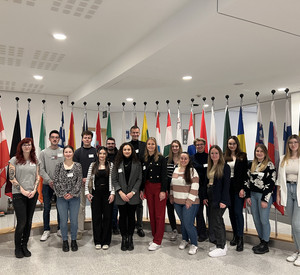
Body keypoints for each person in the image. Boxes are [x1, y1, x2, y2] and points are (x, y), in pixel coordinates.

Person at [9, 138, 39, 258]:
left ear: (32, 146)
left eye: (29, 144)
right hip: (18, 194)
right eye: (24, 144)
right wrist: (22, 190)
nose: (27, 146)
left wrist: (35, 190)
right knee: (22, 221)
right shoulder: (14, 160)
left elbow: (37, 177)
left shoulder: (35, 160)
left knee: (29, 221)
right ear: (21, 147)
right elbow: (12, 177)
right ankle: (17, 247)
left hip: (32, 194)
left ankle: (24, 245)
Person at [244, 144, 276, 254]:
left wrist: (265, 200)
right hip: (252, 195)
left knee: (264, 220)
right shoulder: (251, 164)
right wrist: (247, 196)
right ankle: (261, 240)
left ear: (265, 153)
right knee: (256, 220)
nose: (259, 153)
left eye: (261, 151)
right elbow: (247, 181)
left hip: (263, 196)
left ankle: (266, 243)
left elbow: (271, 183)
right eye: (257, 151)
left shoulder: (269, 165)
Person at [112, 143, 142, 251]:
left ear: (132, 150)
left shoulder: (137, 163)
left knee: (131, 218)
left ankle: (130, 238)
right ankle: (124, 238)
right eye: (125, 149)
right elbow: (114, 180)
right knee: (123, 217)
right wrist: (120, 192)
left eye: (129, 149)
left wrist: (133, 192)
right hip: (121, 196)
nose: (127, 151)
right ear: (122, 151)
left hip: (132, 196)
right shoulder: (117, 163)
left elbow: (139, 179)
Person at [276, 135, 300, 266]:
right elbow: (280, 178)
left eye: (295, 142)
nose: (293, 144)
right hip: (287, 191)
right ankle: (297, 250)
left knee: (297, 224)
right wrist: (278, 194)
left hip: (299, 191)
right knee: (293, 224)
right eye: (290, 142)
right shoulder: (283, 159)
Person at [170, 152, 200, 255]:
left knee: (188, 223)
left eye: (185, 158)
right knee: (183, 222)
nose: (183, 160)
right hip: (177, 202)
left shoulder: (192, 171)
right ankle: (185, 239)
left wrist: (189, 201)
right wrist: (171, 196)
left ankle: (194, 244)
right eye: (181, 158)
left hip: (190, 202)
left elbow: (195, 187)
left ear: (188, 160)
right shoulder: (176, 170)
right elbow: (172, 185)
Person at [53, 145, 82, 252]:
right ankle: (65, 241)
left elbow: (79, 181)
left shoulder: (78, 166)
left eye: (70, 152)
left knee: (74, 221)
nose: (68, 154)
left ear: (73, 153)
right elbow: (56, 181)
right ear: (63, 153)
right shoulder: (58, 166)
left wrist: (72, 193)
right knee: (63, 221)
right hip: (61, 198)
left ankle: (73, 240)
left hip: (74, 198)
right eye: (66, 152)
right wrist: (64, 193)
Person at [85, 146, 115, 250]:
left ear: (106, 155)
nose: (102, 155)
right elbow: (88, 178)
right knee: (96, 217)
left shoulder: (111, 165)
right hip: (96, 194)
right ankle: (97, 240)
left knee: (107, 217)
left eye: (104, 153)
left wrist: (113, 193)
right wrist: (86, 192)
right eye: (100, 153)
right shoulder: (93, 165)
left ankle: (106, 241)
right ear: (97, 154)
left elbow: (114, 180)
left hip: (107, 194)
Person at [203, 145, 230, 258]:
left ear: (220, 154)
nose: (214, 155)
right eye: (212, 153)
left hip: (220, 197)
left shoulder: (225, 166)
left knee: (217, 221)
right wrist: (205, 196)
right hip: (210, 195)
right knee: (215, 220)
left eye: (216, 153)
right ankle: (221, 243)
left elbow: (226, 185)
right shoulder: (210, 166)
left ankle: (221, 247)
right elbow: (206, 182)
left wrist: (223, 200)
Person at [141, 137, 167, 251]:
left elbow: (164, 176)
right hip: (148, 187)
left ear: (156, 146)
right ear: (146, 146)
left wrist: (163, 190)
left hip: (158, 188)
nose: (150, 146)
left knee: (159, 215)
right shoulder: (145, 158)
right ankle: (154, 236)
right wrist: (142, 190)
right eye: (149, 144)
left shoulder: (161, 159)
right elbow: (143, 175)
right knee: (151, 213)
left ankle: (158, 240)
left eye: (152, 144)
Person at [224, 136, 248, 251]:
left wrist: (243, 188)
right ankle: (234, 235)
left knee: (238, 212)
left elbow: (245, 174)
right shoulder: (225, 156)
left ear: (237, 144)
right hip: (228, 187)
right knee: (231, 213)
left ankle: (241, 238)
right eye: (229, 143)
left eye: (233, 143)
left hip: (238, 187)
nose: (231, 145)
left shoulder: (242, 156)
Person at [39, 130, 64, 241]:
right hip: (46, 184)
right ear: (49, 139)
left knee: (61, 207)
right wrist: (49, 180)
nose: (55, 139)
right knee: (47, 208)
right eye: (52, 137)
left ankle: (60, 228)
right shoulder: (44, 153)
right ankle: (46, 230)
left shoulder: (63, 151)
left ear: (59, 139)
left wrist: (59, 181)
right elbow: (41, 169)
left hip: (61, 185)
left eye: (57, 137)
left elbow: (66, 166)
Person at [73, 130, 97, 239]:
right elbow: (75, 167)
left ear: (91, 139)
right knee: (80, 207)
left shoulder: (96, 151)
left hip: (94, 182)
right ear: (82, 139)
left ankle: (95, 229)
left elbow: (98, 166)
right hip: (81, 183)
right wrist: (82, 178)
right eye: (85, 137)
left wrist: (90, 177)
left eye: (89, 138)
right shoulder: (77, 152)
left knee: (95, 206)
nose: (87, 139)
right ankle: (80, 230)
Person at [191, 138, 210, 242]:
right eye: (197, 145)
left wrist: (201, 167)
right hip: (197, 188)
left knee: (209, 212)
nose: (199, 146)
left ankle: (212, 233)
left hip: (208, 188)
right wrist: (203, 167)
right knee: (198, 212)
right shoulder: (192, 158)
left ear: (204, 145)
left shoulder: (209, 157)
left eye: (201, 144)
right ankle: (202, 233)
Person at [129, 126, 146, 237]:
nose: (135, 134)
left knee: (139, 204)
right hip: (129, 178)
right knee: (129, 204)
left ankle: (139, 226)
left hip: (140, 177)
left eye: (137, 132)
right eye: (133, 132)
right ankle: (129, 225)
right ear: (130, 133)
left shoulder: (144, 145)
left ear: (139, 133)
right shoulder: (127, 146)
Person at [166, 140, 182, 241]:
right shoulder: (167, 159)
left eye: (176, 146)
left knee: (181, 210)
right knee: (170, 210)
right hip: (169, 188)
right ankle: (174, 230)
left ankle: (185, 229)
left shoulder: (184, 159)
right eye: (173, 146)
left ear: (179, 147)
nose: (175, 148)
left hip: (180, 189)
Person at [106, 137, 119, 235]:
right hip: (105, 184)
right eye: (109, 143)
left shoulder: (119, 155)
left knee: (115, 208)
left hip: (116, 184)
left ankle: (114, 226)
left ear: (114, 144)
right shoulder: (103, 154)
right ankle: (107, 226)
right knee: (106, 207)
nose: (110, 145)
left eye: (112, 143)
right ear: (106, 145)